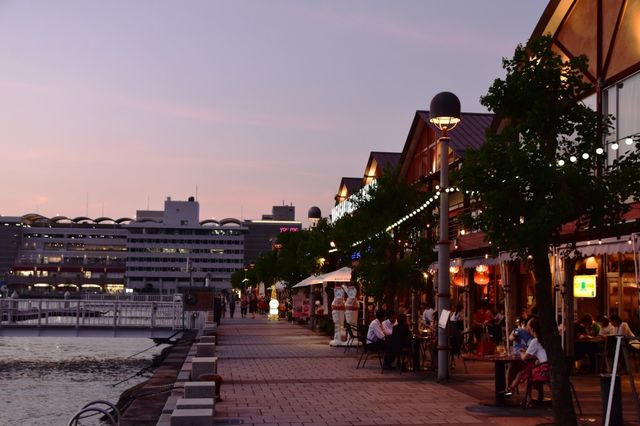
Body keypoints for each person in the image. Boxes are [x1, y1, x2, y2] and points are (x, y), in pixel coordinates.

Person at [505, 318, 548, 396]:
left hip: (541, 368)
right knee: (516, 368)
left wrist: (522, 352)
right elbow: (510, 337)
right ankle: (511, 389)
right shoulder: (519, 330)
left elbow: (525, 357)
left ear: (531, 328)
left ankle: (511, 389)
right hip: (548, 367)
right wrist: (514, 337)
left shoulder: (535, 340)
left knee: (525, 371)